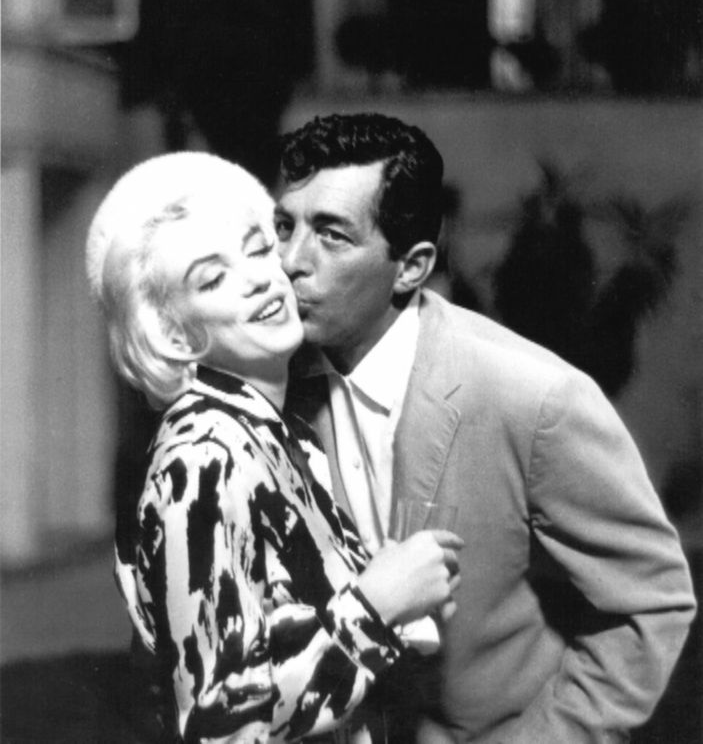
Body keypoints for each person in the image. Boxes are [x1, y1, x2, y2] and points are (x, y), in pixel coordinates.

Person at [274, 113, 697, 744]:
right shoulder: (273, 382)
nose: (289, 261)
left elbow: (654, 601)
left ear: (412, 267)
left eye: (332, 235)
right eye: (285, 226)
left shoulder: (534, 396)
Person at [85, 151, 463, 743]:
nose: (260, 279)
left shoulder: (278, 435)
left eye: (259, 249)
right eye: (212, 279)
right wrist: (378, 604)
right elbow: (221, 728)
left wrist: (398, 598)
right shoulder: (205, 456)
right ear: (175, 335)